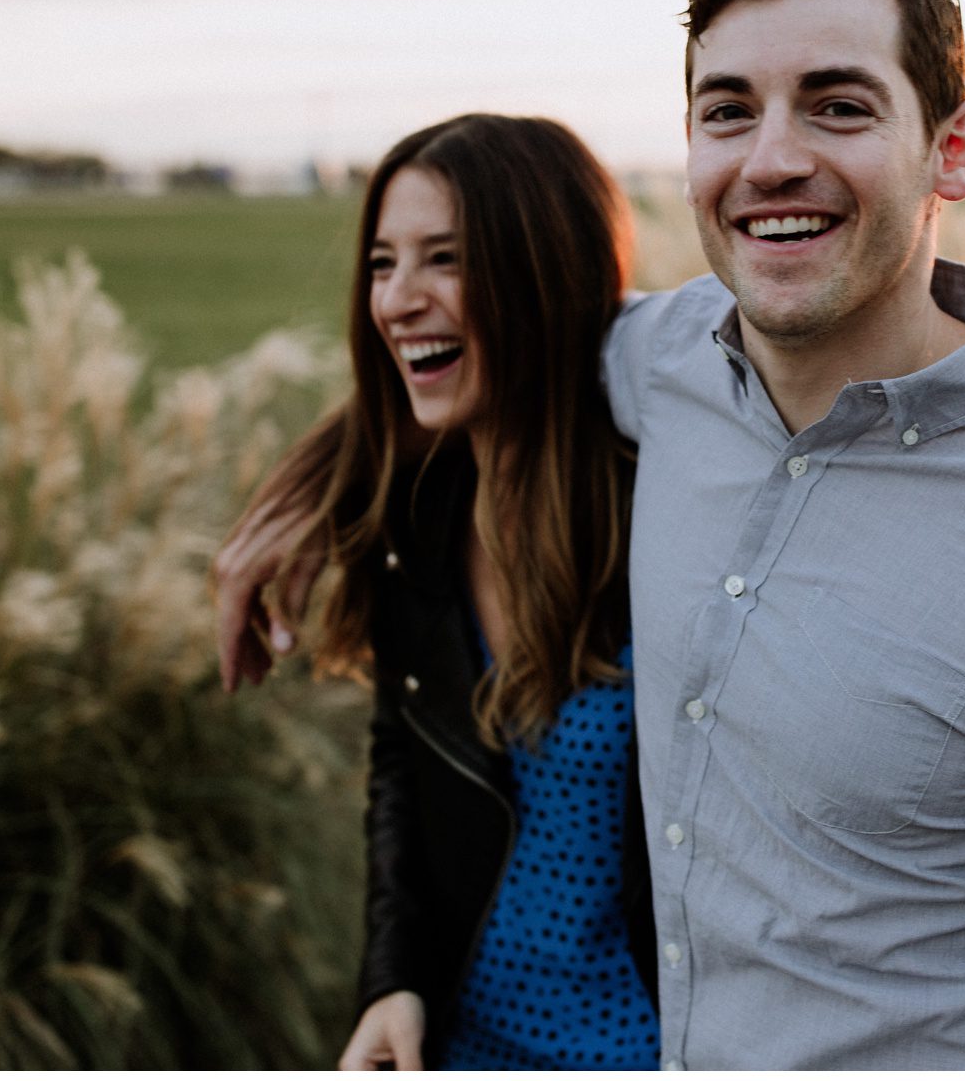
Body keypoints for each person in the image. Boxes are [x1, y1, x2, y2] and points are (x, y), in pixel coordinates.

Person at [219, 0, 965, 1069]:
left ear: (955, 148)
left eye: (837, 103)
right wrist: (310, 489)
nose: (771, 157)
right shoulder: (659, 365)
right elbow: (499, 344)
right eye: (728, 109)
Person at [221, 113, 658, 1069]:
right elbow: (405, 767)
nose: (397, 301)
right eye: (382, 263)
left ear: (542, 273)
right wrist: (393, 978)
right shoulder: (413, 519)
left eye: (446, 260)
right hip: (462, 1045)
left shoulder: (678, 516)